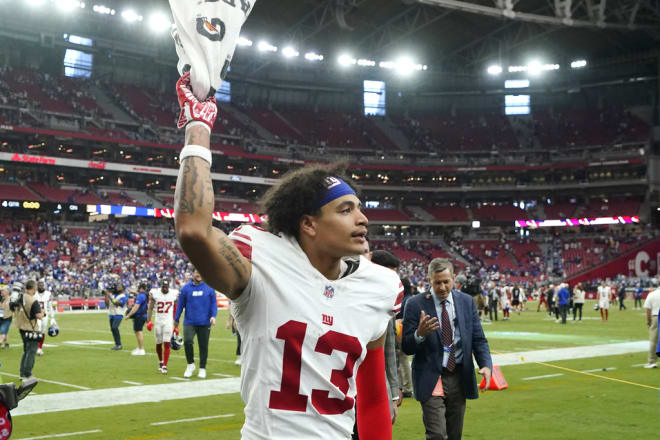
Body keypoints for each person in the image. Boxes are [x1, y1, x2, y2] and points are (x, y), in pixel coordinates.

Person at [173, 73, 401, 440]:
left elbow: (373, 397)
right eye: (345, 210)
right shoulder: (261, 262)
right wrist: (198, 127)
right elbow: (194, 231)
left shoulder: (380, 285)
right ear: (309, 224)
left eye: (359, 208)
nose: (362, 219)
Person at [402, 258, 492, 440]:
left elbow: (478, 338)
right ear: (429, 280)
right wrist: (419, 334)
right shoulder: (415, 304)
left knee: (454, 435)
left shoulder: (466, 302)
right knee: (436, 435)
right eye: (437, 283)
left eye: (446, 282)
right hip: (430, 375)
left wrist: (486, 365)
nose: (442, 287)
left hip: (459, 375)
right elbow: (406, 346)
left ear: (453, 278)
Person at [174, 269, 217, 379]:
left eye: (200, 272)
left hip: (205, 322)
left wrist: (213, 316)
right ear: (193, 274)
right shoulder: (185, 288)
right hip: (189, 322)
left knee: (203, 346)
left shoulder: (210, 288)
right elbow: (180, 305)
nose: (198, 274)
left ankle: (202, 368)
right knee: (187, 341)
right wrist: (176, 319)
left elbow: (213, 304)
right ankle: (190, 365)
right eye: (196, 272)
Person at [10, 280, 44, 380]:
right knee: (31, 352)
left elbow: (13, 308)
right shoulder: (33, 301)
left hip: (21, 327)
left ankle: (22, 373)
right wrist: (43, 313)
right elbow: (39, 316)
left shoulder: (19, 297)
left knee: (25, 351)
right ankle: (27, 374)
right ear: (34, 288)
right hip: (31, 328)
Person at [147, 279, 178, 374]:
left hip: (168, 322)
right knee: (158, 343)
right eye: (163, 287)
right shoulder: (155, 293)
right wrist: (148, 321)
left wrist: (176, 326)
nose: (165, 288)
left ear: (168, 286)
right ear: (161, 286)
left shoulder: (174, 293)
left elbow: (176, 309)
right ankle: (160, 361)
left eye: (166, 287)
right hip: (158, 321)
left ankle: (165, 365)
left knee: (167, 343)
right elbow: (150, 308)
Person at [125, 282, 149, 355]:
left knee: (139, 332)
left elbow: (136, 307)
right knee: (137, 331)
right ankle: (139, 348)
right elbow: (139, 294)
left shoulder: (141, 296)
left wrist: (129, 315)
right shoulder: (144, 294)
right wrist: (134, 292)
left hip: (139, 316)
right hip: (142, 315)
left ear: (141, 288)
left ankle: (141, 349)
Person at [103, 281, 128, 350]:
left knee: (114, 327)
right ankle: (117, 344)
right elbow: (107, 304)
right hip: (111, 314)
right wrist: (106, 296)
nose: (117, 288)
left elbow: (117, 303)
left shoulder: (123, 296)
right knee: (113, 329)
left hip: (118, 314)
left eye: (119, 287)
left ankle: (119, 344)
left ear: (122, 289)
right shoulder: (114, 295)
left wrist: (109, 296)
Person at [34, 280, 56, 356]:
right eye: (39, 285)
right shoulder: (34, 294)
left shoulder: (48, 294)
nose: (41, 287)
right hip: (36, 315)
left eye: (42, 285)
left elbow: (50, 306)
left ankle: (40, 348)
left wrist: (52, 317)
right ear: (37, 286)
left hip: (45, 316)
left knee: (43, 331)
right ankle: (36, 347)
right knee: (38, 330)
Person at [642, 286, 660, 369]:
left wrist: (648, 322)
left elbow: (648, 310)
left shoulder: (652, 294)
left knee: (654, 340)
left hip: (656, 317)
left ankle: (652, 362)